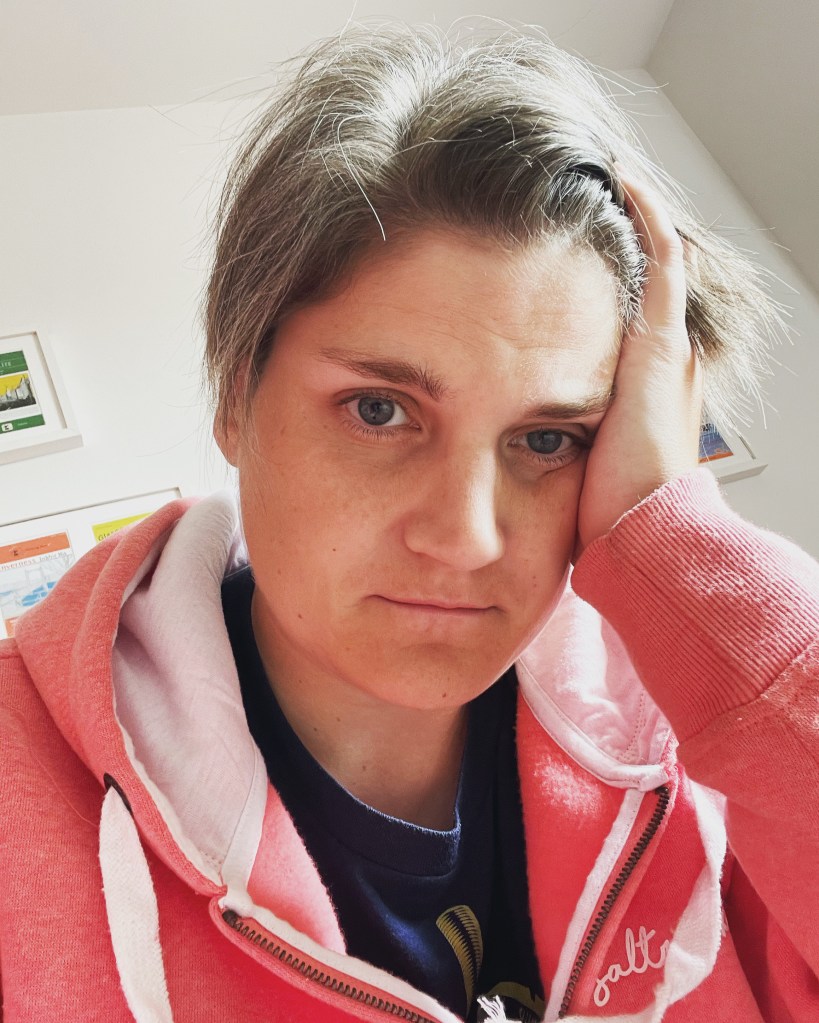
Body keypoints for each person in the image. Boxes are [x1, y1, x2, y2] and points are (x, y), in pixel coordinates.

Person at [1, 23, 817, 1023]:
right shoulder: (20, 780)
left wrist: (679, 547)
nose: (467, 538)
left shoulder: (710, 753)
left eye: (548, 439)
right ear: (235, 397)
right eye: (379, 409)